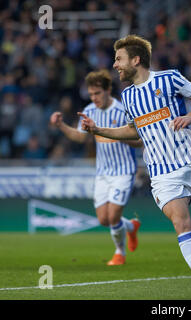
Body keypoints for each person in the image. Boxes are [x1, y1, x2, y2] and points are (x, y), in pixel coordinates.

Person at [78, 35, 191, 298]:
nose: (115, 64)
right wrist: (98, 130)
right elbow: (133, 131)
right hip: (161, 172)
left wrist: (190, 116)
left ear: (136, 59)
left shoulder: (169, 78)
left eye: (119, 59)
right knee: (181, 222)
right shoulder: (128, 96)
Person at [49, 69, 143, 266]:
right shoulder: (89, 111)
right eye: (91, 94)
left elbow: (138, 140)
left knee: (113, 215)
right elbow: (80, 137)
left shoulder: (122, 110)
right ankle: (131, 227)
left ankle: (119, 253)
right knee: (103, 220)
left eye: (98, 93)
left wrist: (112, 134)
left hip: (123, 171)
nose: (94, 97)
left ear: (108, 90)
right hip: (102, 173)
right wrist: (61, 126)